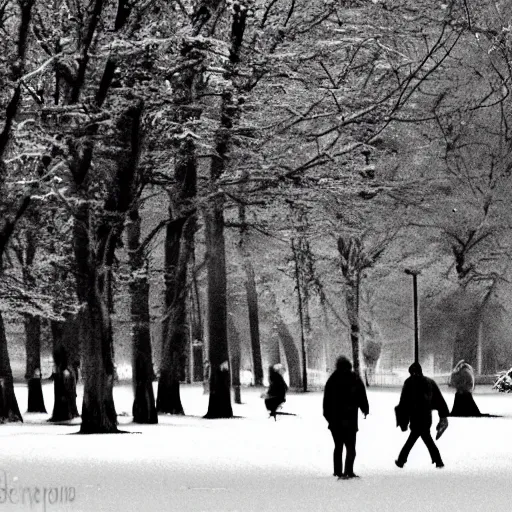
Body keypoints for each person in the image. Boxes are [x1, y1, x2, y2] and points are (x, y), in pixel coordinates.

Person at [395, 362, 449, 469]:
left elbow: (403, 402)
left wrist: (403, 419)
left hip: (415, 416)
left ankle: (402, 460)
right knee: (425, 438)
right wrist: (443, 414)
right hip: (426, 416)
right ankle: (438, 461)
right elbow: (439, 400)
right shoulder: (429, 382)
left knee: (415, 438)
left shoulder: (409, 382)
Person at [323, 356, 369, 479]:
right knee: (350, 447)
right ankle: (349, 470)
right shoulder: (354, 378)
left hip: (335, 419)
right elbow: (361, 395)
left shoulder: (333, 379)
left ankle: (338, 471)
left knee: (338, 446)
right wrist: (365, 409)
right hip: (350, 418)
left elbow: (326, 401)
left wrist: (328, 417)